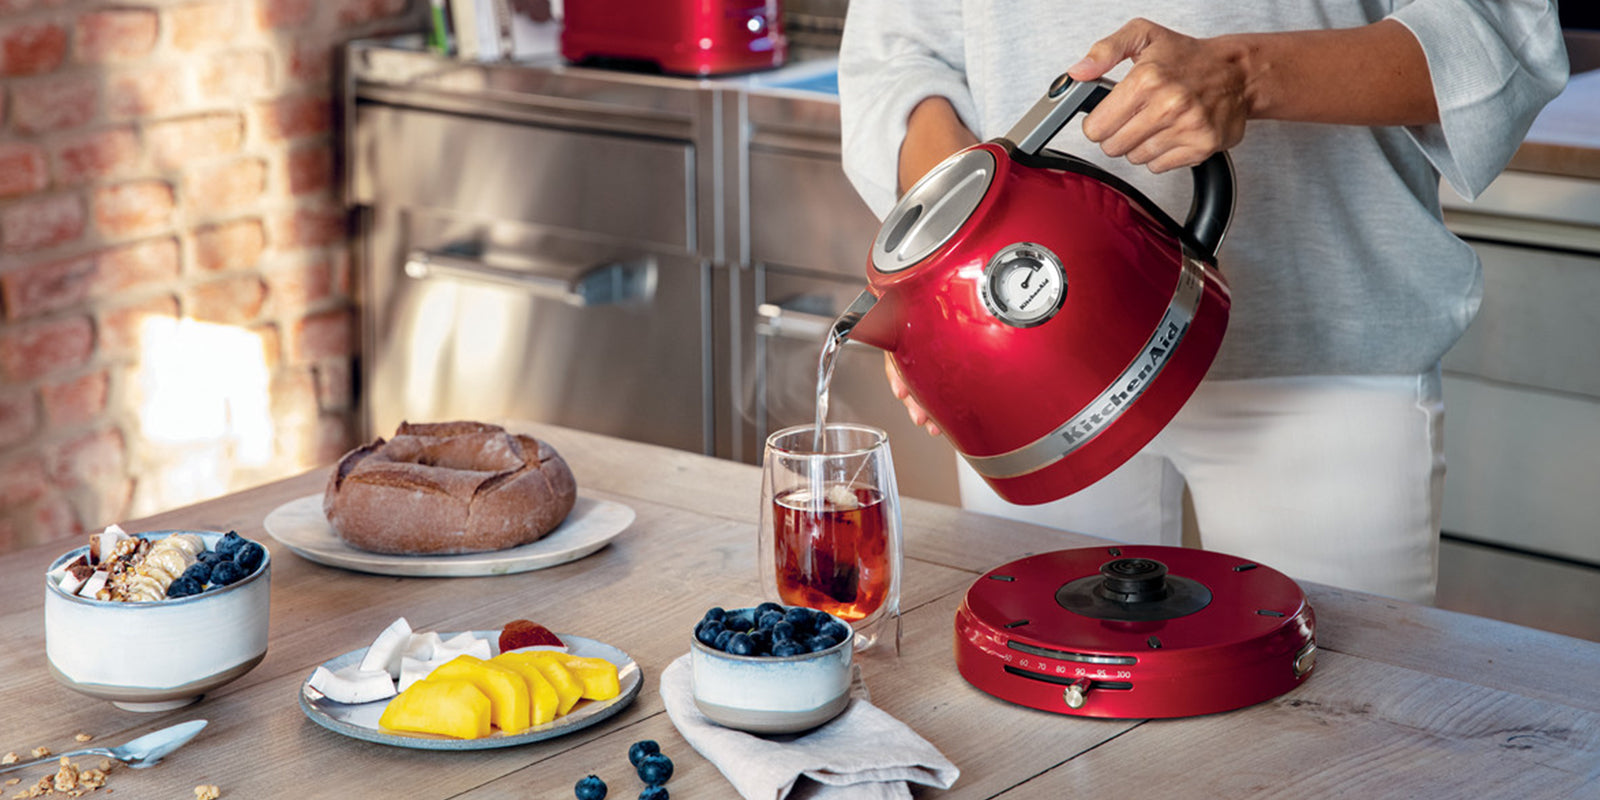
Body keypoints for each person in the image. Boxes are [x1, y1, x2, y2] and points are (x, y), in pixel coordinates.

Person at [837, 1, 1568, 604]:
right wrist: (963, 275)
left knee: (1333, 740)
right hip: (1036, 375)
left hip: (1323, 354)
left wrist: (1245, 74)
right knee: (1043, 728)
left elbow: (1499, 28)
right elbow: (897, 55)